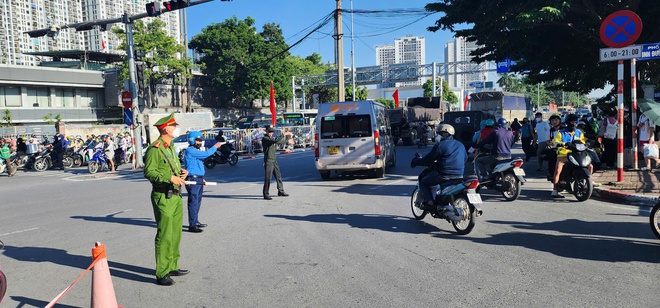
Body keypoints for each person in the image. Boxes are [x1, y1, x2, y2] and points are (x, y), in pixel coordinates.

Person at [143, 113, 190, 286]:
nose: (175, 128)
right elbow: (149, 172)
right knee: (165, 234)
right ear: (165, 128)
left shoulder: (170, 146)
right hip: (163, 195)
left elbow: (172, 168)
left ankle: (172, 265)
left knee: (176, 233)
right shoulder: (155, 148)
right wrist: (169, 178)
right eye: (173, 126)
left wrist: (181, 173)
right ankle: (162, 272)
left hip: (176, 195)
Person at [413, 124, 467, 211]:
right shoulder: (460, 144)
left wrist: (418, 161)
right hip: (459, 175)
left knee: (423, 182)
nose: (437, 136)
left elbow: (429, 159)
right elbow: (465, 158)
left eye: (438, 134)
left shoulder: (441, 145)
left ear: (443, 134)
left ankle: (430, 203)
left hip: (443, 175)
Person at [182, 131, 223, 233]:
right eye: (198, 140)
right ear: (192, 140)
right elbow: (206, 154)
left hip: (198, 178)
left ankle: (195, 221)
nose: (200, 142)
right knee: (193, 202)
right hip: (192, 179)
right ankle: (192, 225)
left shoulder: (195, 151)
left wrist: (202, 178)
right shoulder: (190, 150)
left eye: (201, 140)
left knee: (198, 201)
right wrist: (215, 146)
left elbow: (196, 166)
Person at [551, 114, 591, 198]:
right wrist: (560, 144)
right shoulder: (561, 133)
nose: (574, 124)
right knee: (558, 170)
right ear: (568, 123)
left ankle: (588, 182)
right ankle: (555, 190)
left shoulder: (579, 132)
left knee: (590, 165)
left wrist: (587, 144)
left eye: (575, 122)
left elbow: (582, 142)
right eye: (572, 122)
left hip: (576, 154)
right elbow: (556, 141)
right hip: (564, 155)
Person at [469, 117, 513, 182]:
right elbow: (511, 143)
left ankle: (485, 177)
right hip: (508, 156)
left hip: (497, 156)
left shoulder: (495, 132)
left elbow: (484, 141)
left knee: (478, 161)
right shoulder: (510, 133)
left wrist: (476, 146)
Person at [261, 126, 293, 200]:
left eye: (272, 132)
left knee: (278, 176)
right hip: (268, 161)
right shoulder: (265, 138)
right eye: (269, 132)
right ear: (266, 132)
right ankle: (266, 194)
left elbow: (278, 141)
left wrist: (287, 141)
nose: (271, 133)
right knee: (268, 178)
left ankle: (280, 191)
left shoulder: (270, 138)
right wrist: (284, 134)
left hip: (274, 160)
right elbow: (275, 141)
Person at [546, 114, 563, 181]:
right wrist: (551, 143)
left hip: (564, 149)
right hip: (554, 149)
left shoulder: (564, 130)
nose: (554, 122)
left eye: (556, 120)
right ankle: (551, 173)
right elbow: (547, 141)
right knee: (551, 156)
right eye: (553, 120)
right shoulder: (549, 131)